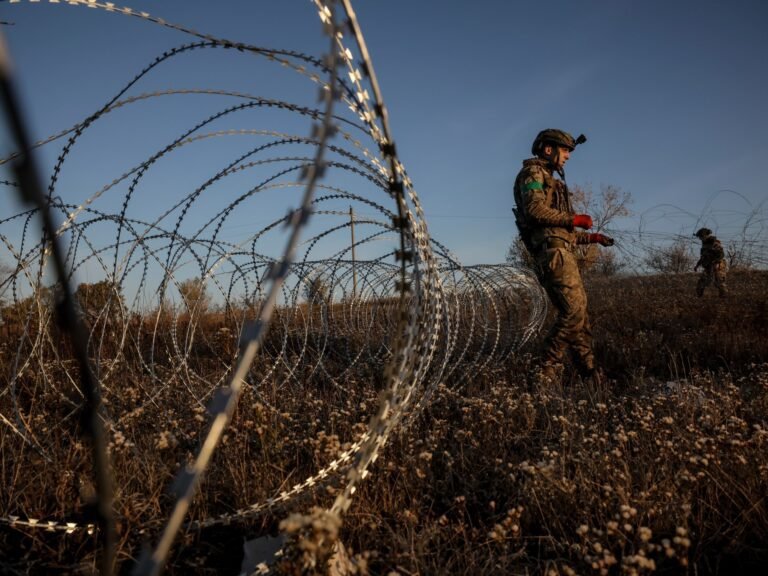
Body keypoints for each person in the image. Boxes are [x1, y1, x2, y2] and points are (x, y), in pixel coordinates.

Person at [513, 128, 615, 384]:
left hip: (561, 250)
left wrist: (592, 238)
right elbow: (535, 211)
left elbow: (559, 230)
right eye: (565, 150)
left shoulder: (550, 179)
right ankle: (543, 371)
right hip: (552, 255)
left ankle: (590, 374)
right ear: (549, 149)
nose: (568, 156)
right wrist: (574, 219)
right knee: (573, 313)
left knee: (580, 316)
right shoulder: (532, 174)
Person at [693, 227, 727, 297]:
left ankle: (724, 298)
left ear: (706, 235)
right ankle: (699, 298)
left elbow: (721, 254)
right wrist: (697, 265)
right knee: (701, 283)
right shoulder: (704, 244)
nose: (700, 238)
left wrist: (716, 262)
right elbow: (703, 257)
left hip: (718, 266)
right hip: (708, 266)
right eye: (699, 237)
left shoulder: (714, 243)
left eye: (701, 237)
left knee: (719, 283)